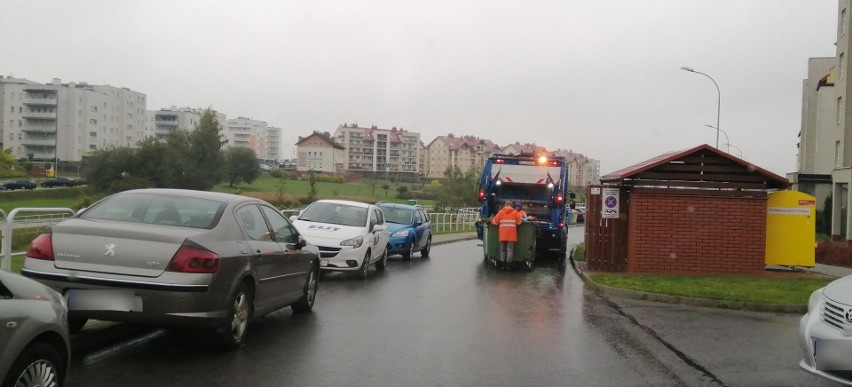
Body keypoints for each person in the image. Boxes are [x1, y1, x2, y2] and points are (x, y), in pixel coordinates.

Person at [490, 200, 522, 271]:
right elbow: (519, 222)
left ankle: (503, 266)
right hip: (511, 235)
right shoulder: (515, 212)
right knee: (510, 250)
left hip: (503, 234)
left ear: (505, 205)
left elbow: (495, 222)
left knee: (502, 250)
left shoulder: (501, 212)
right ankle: (508, 266)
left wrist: (491, 220)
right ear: (511, 206)